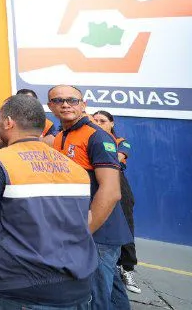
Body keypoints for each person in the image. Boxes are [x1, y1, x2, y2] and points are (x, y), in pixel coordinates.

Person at [0, 95, 97, 310]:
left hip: (21, 288)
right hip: (78, 287)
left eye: (0, 120)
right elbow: (85, 219)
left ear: (8, 122)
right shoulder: (75, 168)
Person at [48, 85, 132, 310]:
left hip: (97, 233)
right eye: (58, 100)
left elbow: (112, 191)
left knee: (94, 298)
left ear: (83, 105)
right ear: (51, 107)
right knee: (111, 292)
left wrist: (85, 231)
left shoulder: (96, 136)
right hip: (84, 229)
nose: (65, 104)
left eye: (72, 100)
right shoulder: (60, 137)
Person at [93, 110, 141, 295]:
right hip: (96, 182)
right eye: (95, 120)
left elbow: (116, 158)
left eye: (102, 121)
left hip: (118, 183)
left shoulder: (121, 141)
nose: (98, 123)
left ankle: (127, 268)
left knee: (125, 226)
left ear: (111, 123)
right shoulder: (92, 140)